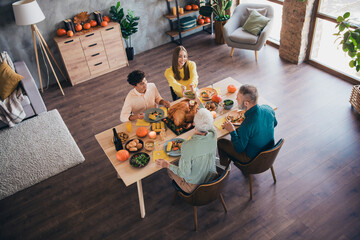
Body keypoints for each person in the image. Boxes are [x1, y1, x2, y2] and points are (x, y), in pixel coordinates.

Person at [155, 89, 217, 193]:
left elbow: (184, 174)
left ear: (194, 124)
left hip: (194, 188)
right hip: (212, 178)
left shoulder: (187, 146)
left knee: (169, 170)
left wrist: (168, 165)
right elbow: (207, 118)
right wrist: (198, 100)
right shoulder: (213, 133)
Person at [217, 84, 277, 167]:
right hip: (269, 153)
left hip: (252, 160)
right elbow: (275, 124)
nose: (236, 99)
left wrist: (232, 131)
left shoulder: (246, 124)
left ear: (246, 103)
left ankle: (223, 167)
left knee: (221, 142)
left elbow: (239, 149)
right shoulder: (268, 109)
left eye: (238, 97)